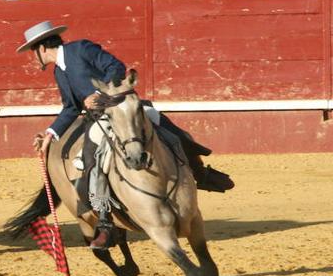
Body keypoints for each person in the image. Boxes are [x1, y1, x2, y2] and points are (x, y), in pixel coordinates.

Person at [16, 21, 234, 249]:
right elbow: (71, 107)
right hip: (98, 122)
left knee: (174, 133)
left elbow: (116, 67)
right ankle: (103, 219)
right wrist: (51, 134)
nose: (34, 58)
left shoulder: (80, 49)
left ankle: (201, 174)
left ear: (41, 49)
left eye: (33, 52)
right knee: (89, 162)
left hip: (121, 107)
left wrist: (100, 94)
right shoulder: (60, 73)